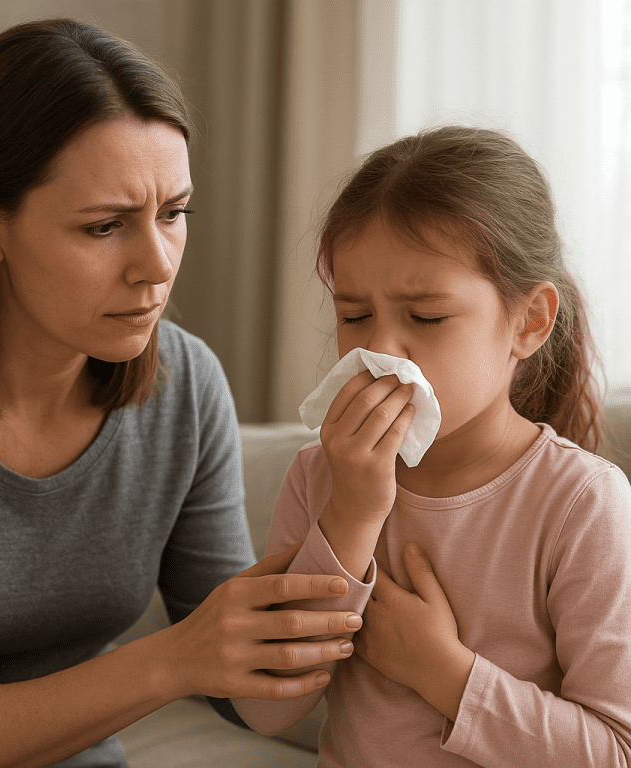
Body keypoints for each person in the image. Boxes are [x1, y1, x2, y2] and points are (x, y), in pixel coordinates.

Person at [0, 19, 362, 768]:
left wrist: (359, 505)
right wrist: (173, 660)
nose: (157, 265)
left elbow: (243, 686)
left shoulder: (185, 385)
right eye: (104, 226)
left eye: (173, 213)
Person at [233, 125, 631, 766]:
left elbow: (614, 751)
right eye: (355, 315)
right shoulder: (321, 476)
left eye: (426, 318)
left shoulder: (580, 502)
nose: (382, 352)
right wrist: (352, 515)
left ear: (528, 321)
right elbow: (267, 709)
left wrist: (443, 671)